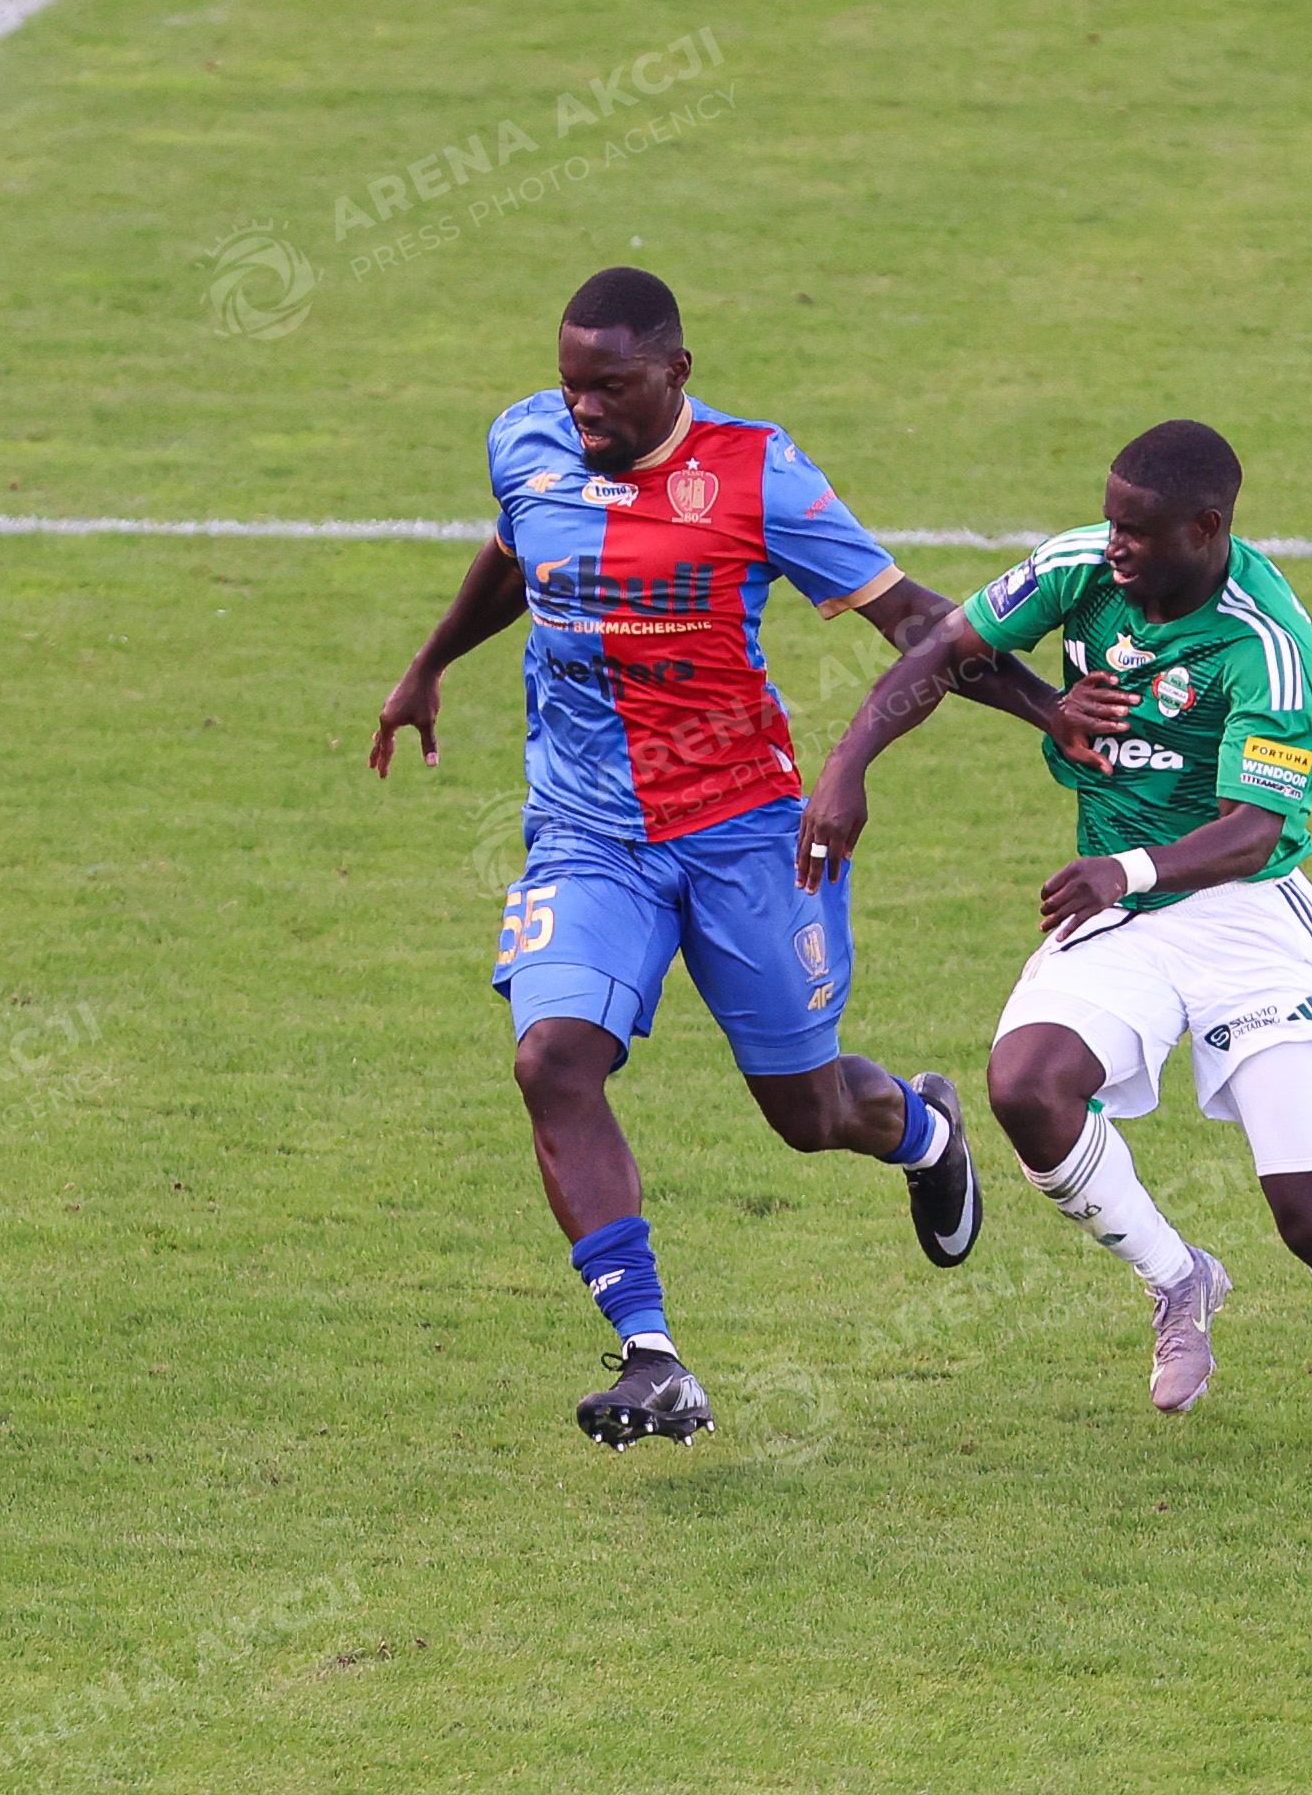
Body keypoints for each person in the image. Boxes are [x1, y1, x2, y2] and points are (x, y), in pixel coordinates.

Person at [370, 267, 1123, 1449]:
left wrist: (1046, 709)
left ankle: (925, 1132)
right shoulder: (526, 441)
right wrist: (430, 663)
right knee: (552, 1059)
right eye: (571, 389)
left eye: (611, 389)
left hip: (746, 833)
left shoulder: (756, 473)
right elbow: (519, 556)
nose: (585, 413)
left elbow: (914, 620)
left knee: (808, 1112)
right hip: (586, 831)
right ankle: (651, 1355)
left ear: (676, 372)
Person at [797, 419, 1312, 1467]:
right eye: (1109, 520)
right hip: (1124, 917)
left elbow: (1253, 828)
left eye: (1136, 530)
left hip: (1247, 918)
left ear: (1205, 530)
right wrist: (849, 767)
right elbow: (942, 647)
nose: (1112, 543)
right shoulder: (1082, 568)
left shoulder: (1262, 641)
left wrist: (1125, 870)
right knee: (1027, 1085)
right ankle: (1178, 1280)